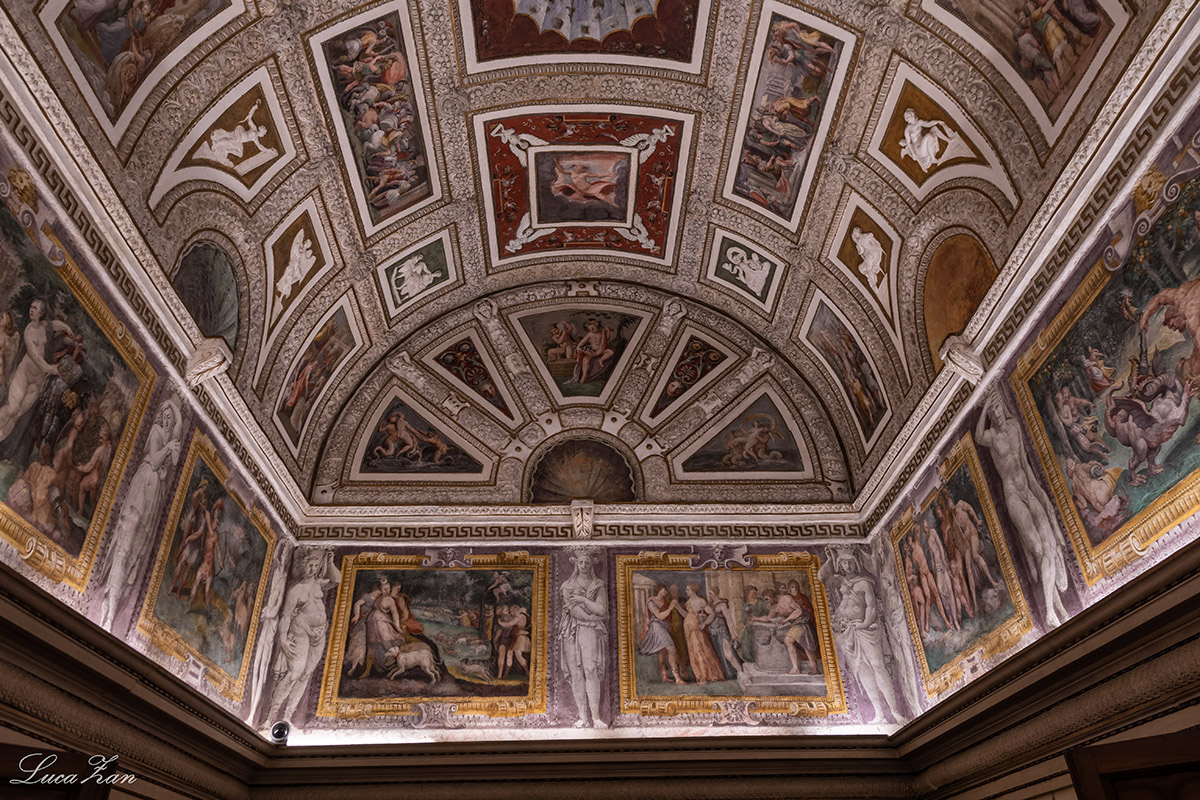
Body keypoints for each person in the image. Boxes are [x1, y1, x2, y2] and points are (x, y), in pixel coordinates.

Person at [976, 390, 1071, 627]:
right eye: (993, 410)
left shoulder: (1014, 427)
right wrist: (985, 403)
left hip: (1027, 489)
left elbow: (1025, 464)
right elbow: (978, 437)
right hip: (1013, 497)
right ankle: (1054, 609)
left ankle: (1054, 610)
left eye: (998, 407)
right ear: (990, 414)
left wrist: (1041, 496)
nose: (997, 413)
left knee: (1049, 545)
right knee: (1038, 549)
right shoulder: (991, 436)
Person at [267, 549, 340, 725]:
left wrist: (329, 563)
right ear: (303, 567)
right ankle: (271, 716)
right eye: (309, 566)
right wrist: (283, 639)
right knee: (294, 673)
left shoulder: (318, 584)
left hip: (319, 633)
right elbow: (286, 616)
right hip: (300, 632)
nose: (312, 569)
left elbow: (336, 580)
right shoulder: (296, 590)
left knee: (306, 674)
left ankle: (287, 716)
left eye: (315, 565)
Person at [0, 299, 75, 442]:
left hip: (38, 379)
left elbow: (54, 325)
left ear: (41, 313)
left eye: (35, 308)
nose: (32, 310)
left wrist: (66, 327)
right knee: (13, 408)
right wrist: (51, 369)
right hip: (25, 372)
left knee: (17, 415)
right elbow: (37, 359)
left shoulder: (43, 326)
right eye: (31, 307)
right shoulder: (29, 332)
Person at [559, 550, 607, 728]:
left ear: (591, 564)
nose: (584, 565)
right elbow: (573, 610)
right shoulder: (568, 585)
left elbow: (601, 610)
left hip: (590, 630)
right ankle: (582, 718)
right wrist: (591, 616)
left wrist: (583, 600)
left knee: (591, 669)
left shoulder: (598, 584)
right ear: (576, 564)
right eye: (581, 562)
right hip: (571, 630)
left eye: (587, 562)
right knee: (576, 673)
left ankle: (596, 718)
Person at [638, 585, 683, 683]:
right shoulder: (652, 602)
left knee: (662, 651)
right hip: (657, 626)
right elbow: (659, 616)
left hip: (664, 626)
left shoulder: (665, 602)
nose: (666, 592)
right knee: (671, 649)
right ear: (659, 590)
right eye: (664, 590)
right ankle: (677, 678)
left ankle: (664, 677)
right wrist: (670, 608)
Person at [682, 583, 726, 684]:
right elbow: (686, 615)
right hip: (689, 630)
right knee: (693, 653)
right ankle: (699, 676)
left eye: (688, 590)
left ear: (693, 591)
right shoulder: (688, 602)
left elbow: (711, 614)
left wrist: (704, 624)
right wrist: (677, 608)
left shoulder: (700, 601)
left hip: (696, 629)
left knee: (700, 652)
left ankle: (704, 677)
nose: (686, 591)